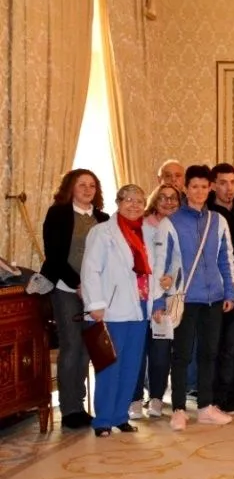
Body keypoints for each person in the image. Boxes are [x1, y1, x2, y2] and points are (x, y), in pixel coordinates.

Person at [81, 185, 175, 437]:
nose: (134, 205)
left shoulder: (149, 232)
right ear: (118, 202)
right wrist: (95, 305)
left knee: (132, 367)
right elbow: (90, 270)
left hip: (140, 308)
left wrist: (161, 291)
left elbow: (156, 268)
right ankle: (103, 420)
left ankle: (120, 416)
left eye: (139, 201)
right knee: (109, 366)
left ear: (145, 204)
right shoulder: (102, 232)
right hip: (111, 310)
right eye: (128, 200)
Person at [166, 165, 234, 431]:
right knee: (182, 355)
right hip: (184, 298)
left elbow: (226, 259)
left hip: (214, 298)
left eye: (204, 187)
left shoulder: (218, 221)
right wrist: (162, 299)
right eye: (194, 186)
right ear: (185, 189)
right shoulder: (171, 222)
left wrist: (229, 291)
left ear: (210, 189)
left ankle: (206, 406)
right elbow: (165, 264)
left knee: (209, 353)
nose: (199, 191)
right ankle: (178, 409)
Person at [40, 169, 110, 429]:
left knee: (89, 347)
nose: (88, 189)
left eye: (92, 185)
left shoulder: (103, 218)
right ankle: (70, 409)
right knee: (72, 345)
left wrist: (95, 288)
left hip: (96, 294)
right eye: (82, 185)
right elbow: (55, 256)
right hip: (66, 289)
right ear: (70, 187)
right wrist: (79, 284)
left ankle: (80, 405)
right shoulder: (57, 214)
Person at [130, 184, 182, 420]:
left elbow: (180, 261)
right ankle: (134, 399)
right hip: (138, 298)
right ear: (154, 200)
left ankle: (157, 397)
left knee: (161, 351)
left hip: (167, 297)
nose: (168, 202)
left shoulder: (179, 227)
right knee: (137, 351)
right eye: (163, 197)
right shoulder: (139, 225)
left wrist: (170, 277)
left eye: (173, 198)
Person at [207, 163, 234, 416]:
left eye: (232, 182)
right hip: (213, 293)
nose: (228, 187)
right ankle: (215, 397)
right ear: (213, 185)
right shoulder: (207, 215)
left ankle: (231, 396)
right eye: (223, 182)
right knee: (215, 348)